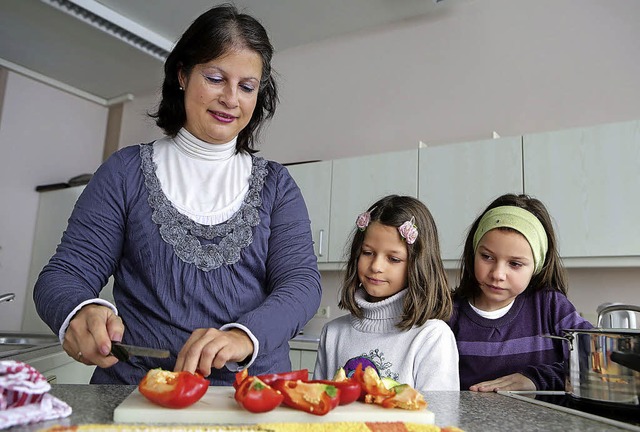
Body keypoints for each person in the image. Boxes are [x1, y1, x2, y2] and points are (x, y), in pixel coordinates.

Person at [33, 4, 321, 385]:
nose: (231, 98)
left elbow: (301, 284)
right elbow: (65, 274)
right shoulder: (124, 172)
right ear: (183, 75)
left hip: (250, 395)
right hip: (136, 393)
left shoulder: (277, 186)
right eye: (216, 78)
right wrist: (80, 309)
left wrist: (242, 336)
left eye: (247, 86)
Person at [314, 195, 460, 393]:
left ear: (418, 266)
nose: (376, 266)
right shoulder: (333, 333)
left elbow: (441, 415)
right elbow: (319, 405)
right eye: (367, 253)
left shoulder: (432, 336)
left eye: (393, 259)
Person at [448, 193, 592, 392]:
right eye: (487, 257)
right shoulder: (449, 313)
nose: (498, 274)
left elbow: (594, 361)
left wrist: (535, 379)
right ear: (473, 252)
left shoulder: (551, 307)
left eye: (515, 264)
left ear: (537, 266)